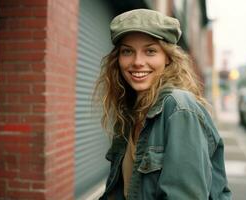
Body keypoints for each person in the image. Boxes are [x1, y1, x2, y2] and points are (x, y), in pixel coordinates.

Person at [94, 9, 232, 200]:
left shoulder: (179, 109)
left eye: (150, 51)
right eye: (127, 51)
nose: (137, 62)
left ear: (167, 57)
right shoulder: (130, 112)